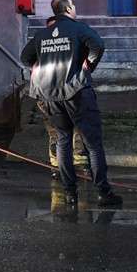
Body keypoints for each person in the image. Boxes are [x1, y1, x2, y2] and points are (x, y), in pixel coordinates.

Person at [20, 0, 122, 208]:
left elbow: (25, 57)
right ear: (67, 9)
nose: (74, 8)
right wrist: (88, 67)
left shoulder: (43, 34)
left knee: (63, 141)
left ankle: (70, 194)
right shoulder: (78, 28)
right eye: (73, 5)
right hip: (77, 92)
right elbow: (98, 46)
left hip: (52, 95)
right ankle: (104, 192)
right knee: (92, 144)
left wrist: (42, 69)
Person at [35, 15, 90, 180]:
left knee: (78, 132)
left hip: (73, 98)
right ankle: (57, 167)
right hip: (51, 99)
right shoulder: (41, 52)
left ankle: (79, 166)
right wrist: (42, 101)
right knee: (55, 134)